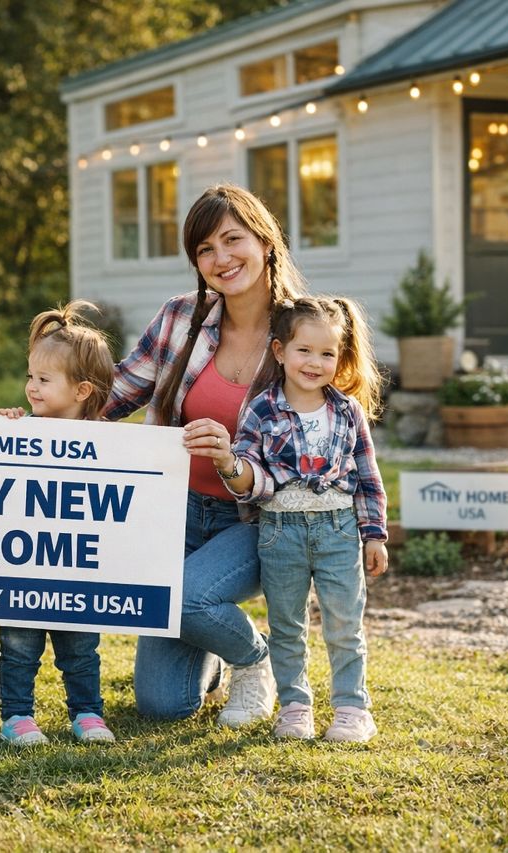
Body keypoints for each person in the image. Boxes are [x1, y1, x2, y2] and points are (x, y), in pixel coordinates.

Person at [104, 183, 308, 726]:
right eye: (204, 250)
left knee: (188, 600)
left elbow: (317, 449)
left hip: (258, 520)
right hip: (175, 509)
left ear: (265, 242)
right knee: (163, 706)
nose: (221, 259)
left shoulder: (303, 332)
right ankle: (215, 652)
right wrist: (33, 419)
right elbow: (116, 393)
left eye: (232, 240)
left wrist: (234, 464)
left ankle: (255, 658)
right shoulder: (181, 318)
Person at [212, 296, 388, 743]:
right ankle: (295, 705)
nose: (315, 362)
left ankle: (351, 707)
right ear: (280, 352)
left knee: (344, 624)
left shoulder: (347, 412)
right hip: (280, 531)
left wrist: (373, 534)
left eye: (327, 353)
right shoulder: (261, 410)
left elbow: (367, 475)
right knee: (287, 624)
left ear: (340, 357)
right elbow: (250, 472)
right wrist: (230, 466)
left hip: (338, 529)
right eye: (304, 351)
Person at [0, 301, 117, 746]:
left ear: (82, 390)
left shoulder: (110, 445)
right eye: (30, 377)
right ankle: (17, 718)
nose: (31, 387)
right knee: (19, 647)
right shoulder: (20, 430)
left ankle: (87, 714)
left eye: (44, 380)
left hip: (79, 572)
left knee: (81, 649)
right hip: (23, 567)